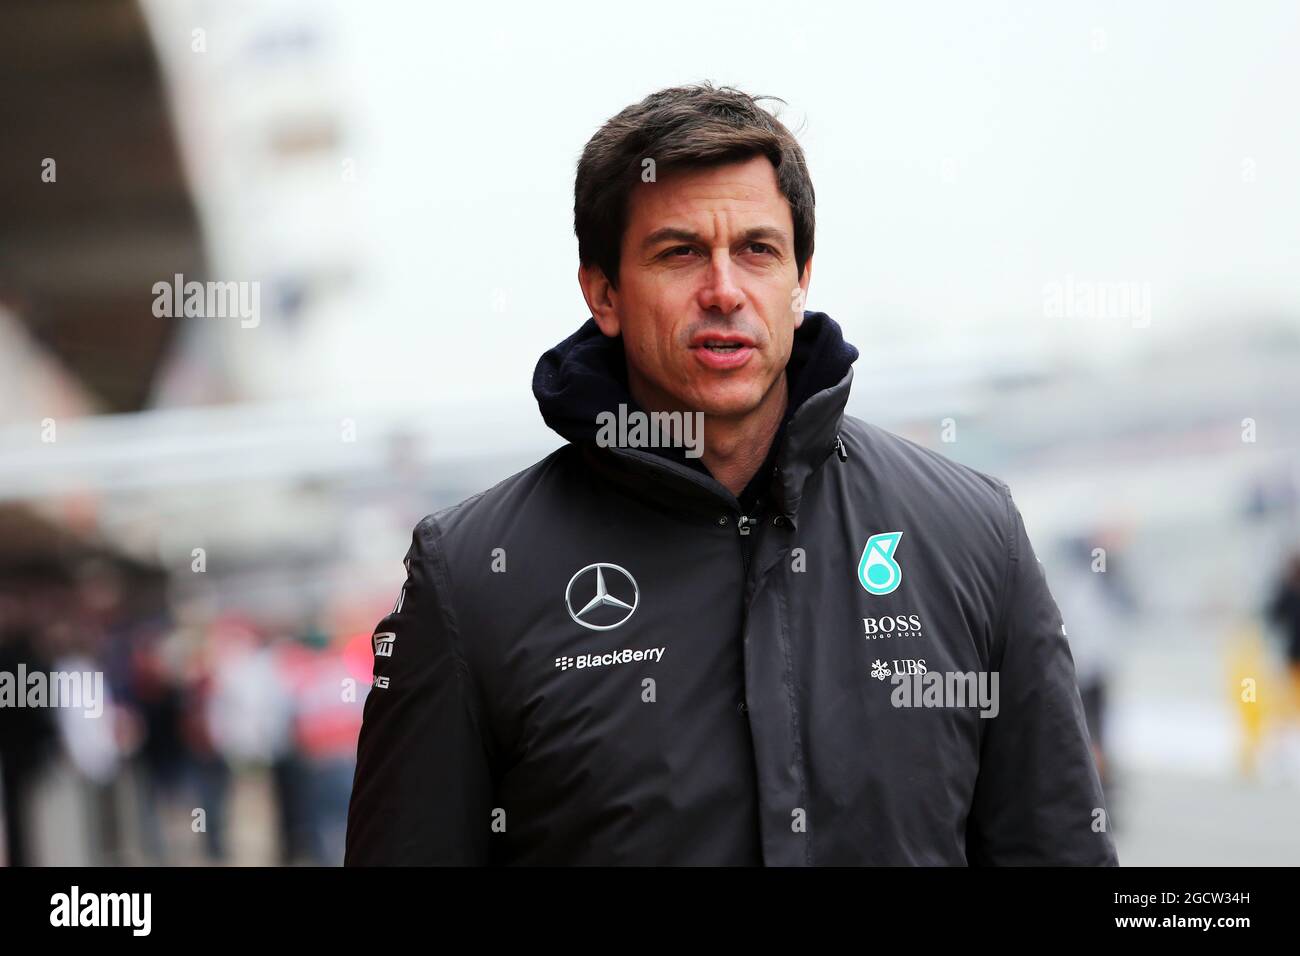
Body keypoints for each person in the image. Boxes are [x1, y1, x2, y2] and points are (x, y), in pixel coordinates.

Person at [345, 83, 1117, 866]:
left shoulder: (973, 536)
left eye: (757, 250)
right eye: (679, 253)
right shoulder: (473, 578)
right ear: (603, 292)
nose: (723, 291)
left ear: (800, 278)